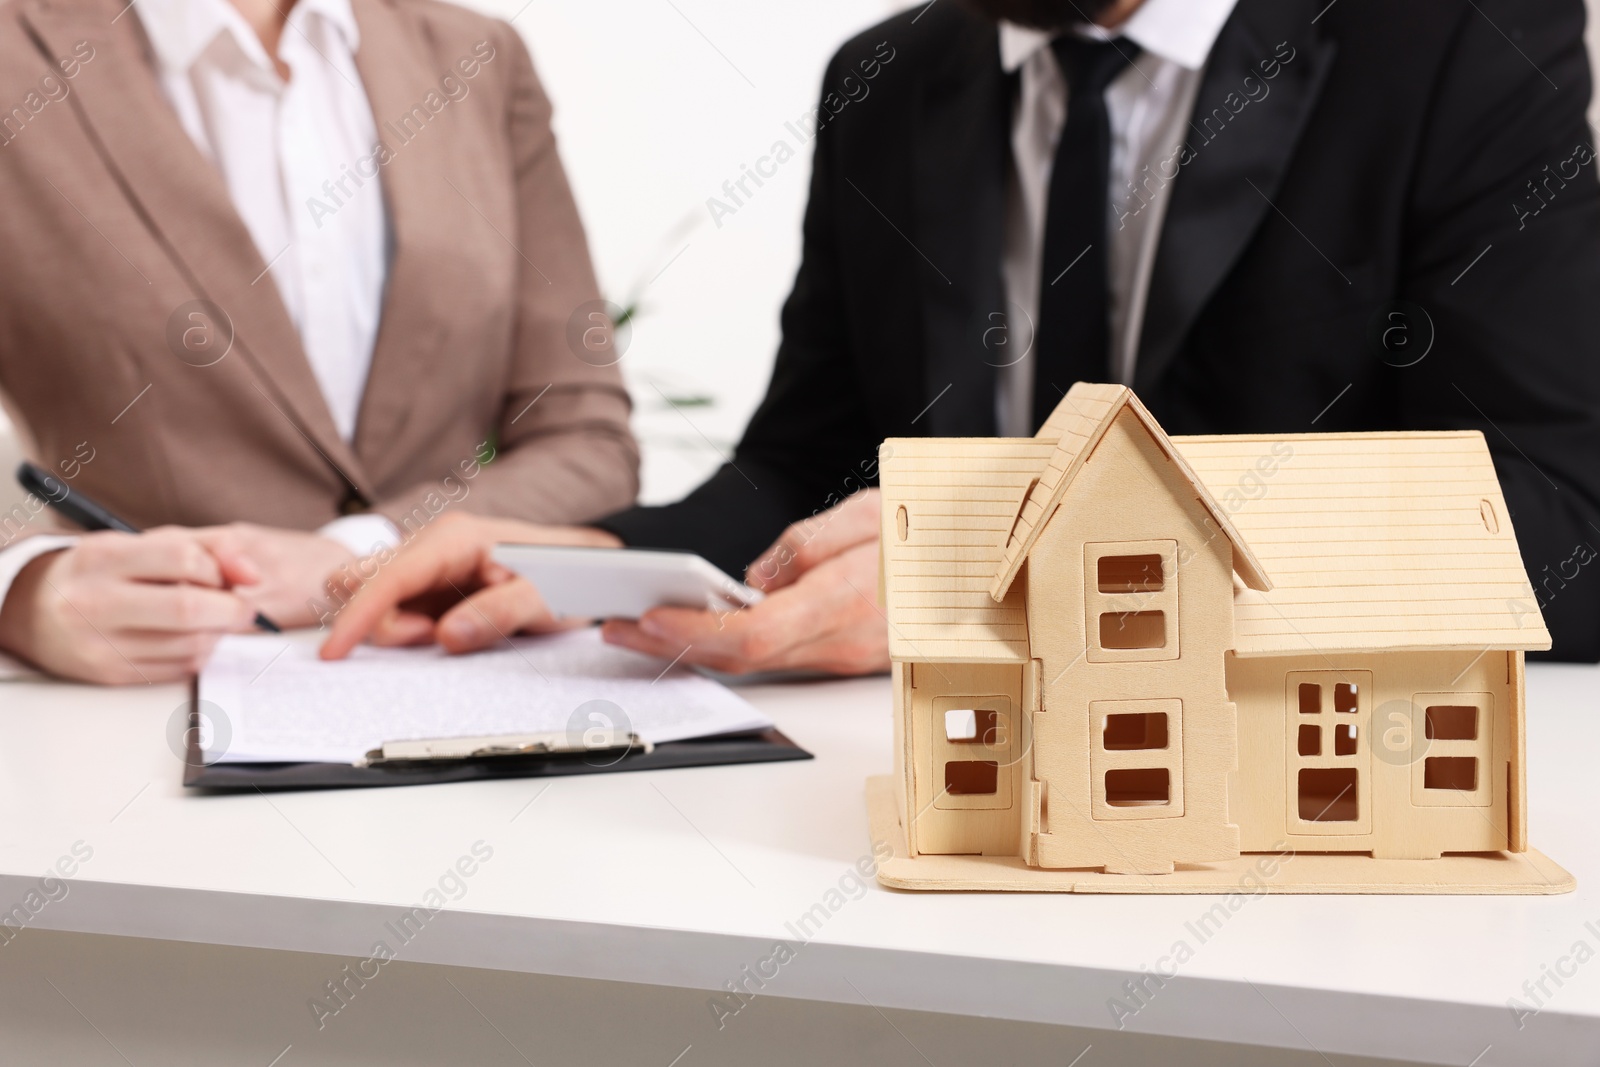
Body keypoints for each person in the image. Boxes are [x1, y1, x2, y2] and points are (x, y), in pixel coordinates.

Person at [322, 0, 1600, 669]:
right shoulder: (886, 79)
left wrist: (1012, 560)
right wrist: (579, 555)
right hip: (895, 812)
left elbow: (1561, 522)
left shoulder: (1455, 39)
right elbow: (802, 468)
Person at [0, 0, 638, 682]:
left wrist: (359, 549)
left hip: (455, 674)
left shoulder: (477, 54)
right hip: (133, 701)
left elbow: (587, 440)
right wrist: (19, 591)